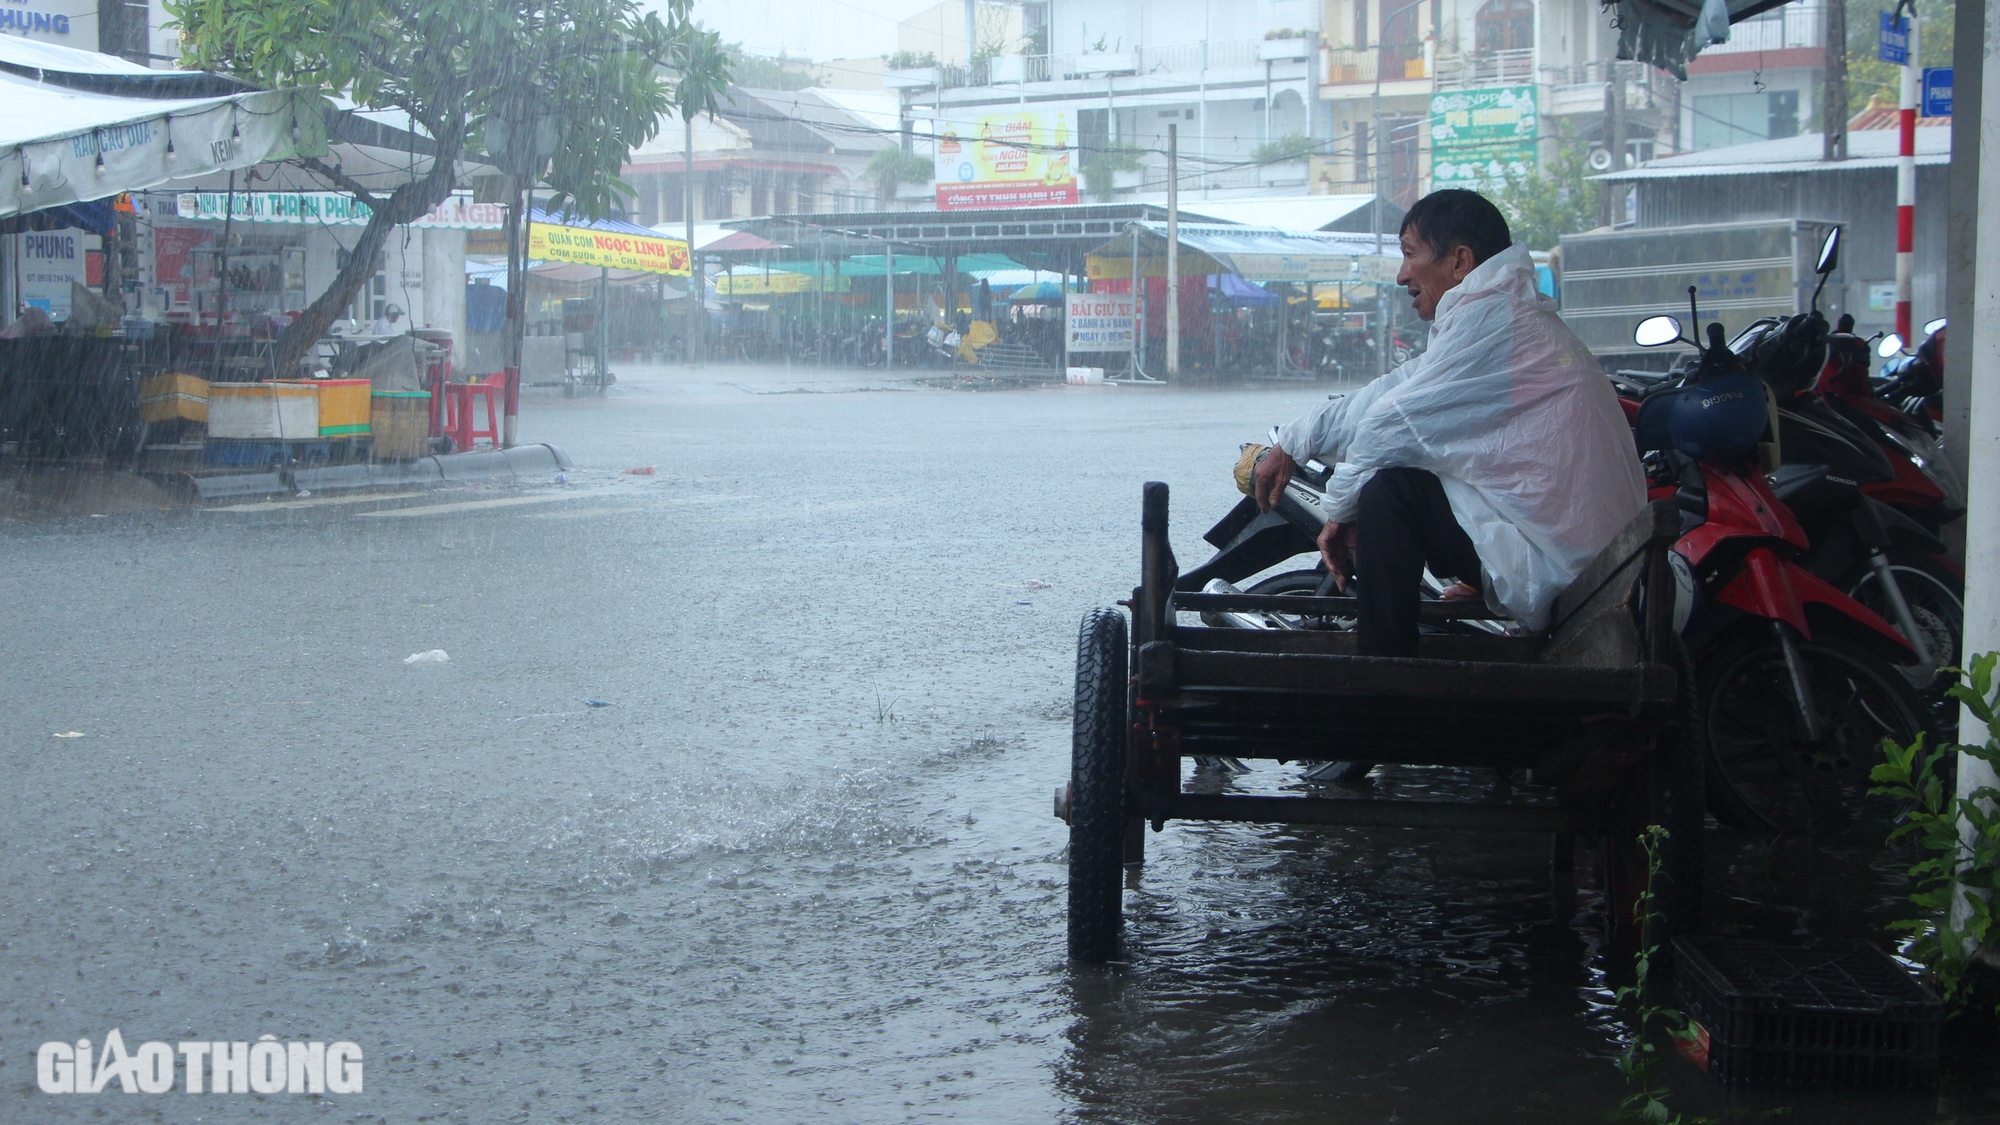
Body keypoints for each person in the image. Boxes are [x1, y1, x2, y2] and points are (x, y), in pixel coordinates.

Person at [1251, 189, 1645, 662]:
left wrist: (1339, 513)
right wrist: (1295, 440)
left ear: (1459, 262)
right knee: (1403, 477)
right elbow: (1396, 389)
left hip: (1567, 567)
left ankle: (1384, 670)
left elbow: (1388, 426)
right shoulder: (1499, 317)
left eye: (1410, 255)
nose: (1401, 275)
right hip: (1571, 553)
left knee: (1389, 491)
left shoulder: (1493, 321)